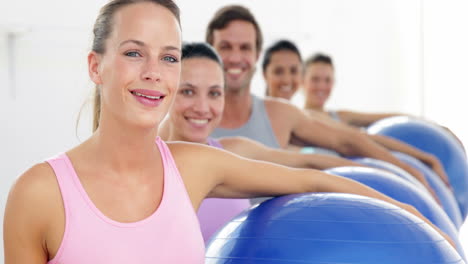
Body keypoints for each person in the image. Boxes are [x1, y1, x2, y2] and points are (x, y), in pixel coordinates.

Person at [3, 1, 454, 263]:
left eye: (169, 57)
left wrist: (421, 218)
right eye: (134, 53)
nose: (154, 73)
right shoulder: (39, 194)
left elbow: (313, 179)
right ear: (96, 65)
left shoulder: (193, 167)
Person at [205, 5, 440, 193]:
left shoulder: (280, 114)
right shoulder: (188, 121)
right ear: (210, 49)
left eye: (244, 48)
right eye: (225, 47)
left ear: (256, 54)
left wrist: (408, 170)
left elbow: (347, 140)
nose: (235, 57)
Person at [159, 42, 370, 241]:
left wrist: (387, 185)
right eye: (187, 91)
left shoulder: (233, 153)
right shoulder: (150, 162)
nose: (202, 107)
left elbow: (309, 169)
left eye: (214, 93)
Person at [261, 40, 451, 187]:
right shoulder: (278, 119)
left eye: (293, 71)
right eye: (278, 71)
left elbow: (360, 138)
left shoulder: (313, 120)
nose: (287, 78)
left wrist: (426, 141)